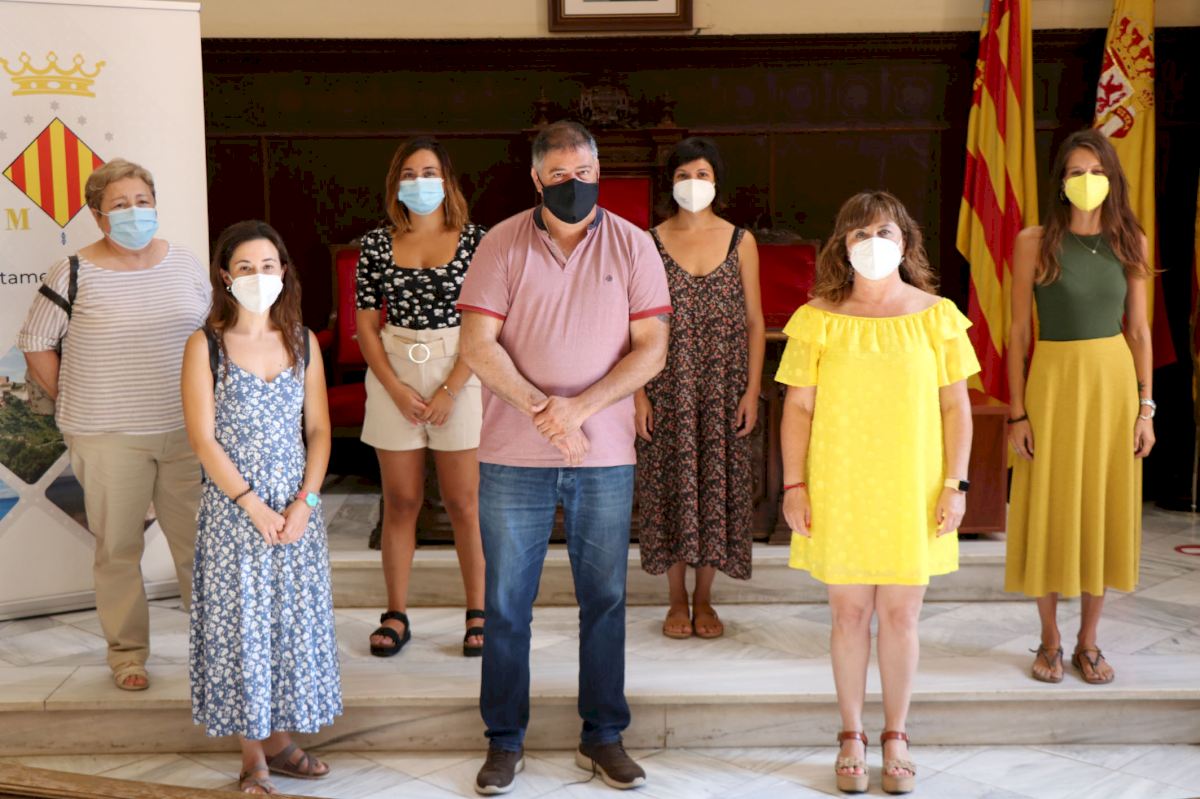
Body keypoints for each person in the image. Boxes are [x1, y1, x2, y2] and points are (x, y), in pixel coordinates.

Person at [458, 120, 670, 795]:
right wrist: (542, 410)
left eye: (583, 173)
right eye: (558, 175)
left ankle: (603, 734)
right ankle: (503, 740)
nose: (572, 184)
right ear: (535, 178)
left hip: (603, 452)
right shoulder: (500, 243)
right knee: (505, 602)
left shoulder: (635, 244)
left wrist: (578, 410)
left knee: (604, 599)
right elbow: (478, 344)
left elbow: (651, 349)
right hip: (512, 454)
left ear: (598, 172)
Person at [777, 191, 977, 795]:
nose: (872, 244)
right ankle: (850, 736)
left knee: (901, 615)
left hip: (914, 486)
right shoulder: (817, 318)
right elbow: (798, 408)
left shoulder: (938, 316)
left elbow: (956, 407)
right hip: (839, 485)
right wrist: (794, 485)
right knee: (848, 614)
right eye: (859, 234)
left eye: (884, 232)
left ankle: (896, 736)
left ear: (905, 242)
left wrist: (956, 484)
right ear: (842, 246)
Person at [18, 158, 209, 691]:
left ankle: (214, 647)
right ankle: (128, 656)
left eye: (142, 202)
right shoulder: (72, 271)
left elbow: (211, 333)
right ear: (98, 216)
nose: (134, 212)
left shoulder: (186, 263)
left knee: (200, 548)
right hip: (105, 436)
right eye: (120, 205)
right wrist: (71, 398)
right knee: (118, 549)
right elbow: (35, 342)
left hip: (187, 432)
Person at [182, 220, 342, 794]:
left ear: (283, 272)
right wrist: (252, 505)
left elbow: (319, 431)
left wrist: (306, 503)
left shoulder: (301, 341)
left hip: (296, 510)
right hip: (235, 512)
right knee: (242, 627)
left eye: (267, 266)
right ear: (226, 277)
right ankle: (253, 754)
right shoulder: (205, 345)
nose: (258, 275)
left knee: (288, 625)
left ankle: (279, 738)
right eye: (245, 267)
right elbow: (203, 439)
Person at [1006, 129, 1154, 686]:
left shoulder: (1130, 240)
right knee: (1048, 504)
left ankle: (1088, 642)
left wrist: (1145, 409)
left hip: (1113, 387)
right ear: (1060, 181)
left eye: (1096, 171)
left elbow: (1139, 331)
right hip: (1052, 384)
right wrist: (1017, 412)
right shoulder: (1033, 241)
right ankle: (1050, 639)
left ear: (1112, 179)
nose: (1086, 181)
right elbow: (1018, 332)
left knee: (1102, 507)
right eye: (1075, 172)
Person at [356, 137, 488, 658]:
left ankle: (478, 612)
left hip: (460, 367)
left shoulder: (476, 240)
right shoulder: (376, 243)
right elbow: (366, 325)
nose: (420, 182)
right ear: (396, 185)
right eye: (409, 174)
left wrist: (452, 388)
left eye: (429, 172)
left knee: (463, 503)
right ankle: (395, 613)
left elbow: (485, 323)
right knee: (402, 500)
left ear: (447, 181)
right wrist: (394, 388)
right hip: (394, 370)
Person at [634, 137, 764, 639]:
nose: (693, 184)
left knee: (716, 489)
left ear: (717, 181)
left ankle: (705, 599)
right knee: (670, 488)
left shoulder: (740, 240)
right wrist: (638, 395)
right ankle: (675, 599)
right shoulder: (648, 241)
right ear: (669, 183)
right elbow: (633, 323)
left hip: (723, 387)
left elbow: (755, 322)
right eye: (683, 175)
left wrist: (751, 392)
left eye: (702, 175)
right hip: (666, 386)